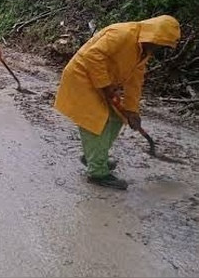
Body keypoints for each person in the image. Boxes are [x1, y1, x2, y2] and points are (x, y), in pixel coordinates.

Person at [54, 15, 180, 190]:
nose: (157, 48)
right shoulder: (123, 33)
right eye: (159, 44)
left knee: (117, 117)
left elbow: (135, 81)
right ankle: (98, 173)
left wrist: (132, 110)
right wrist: (105, 86)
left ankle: (95, 156)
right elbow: (93, 55)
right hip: (82, 78)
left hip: (103, 84)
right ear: (152, 35)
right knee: (96, 120)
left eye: (162, 46)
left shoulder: (143, 50)